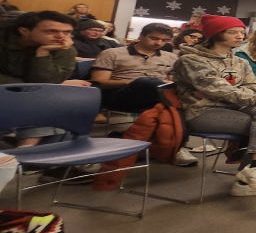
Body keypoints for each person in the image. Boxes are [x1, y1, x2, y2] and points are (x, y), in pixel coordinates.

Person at [172, 15, 256, 196]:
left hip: (234, 107)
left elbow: (253, 87)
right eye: (232, 32)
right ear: (216, 34)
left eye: (242, 32)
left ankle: (254, 171)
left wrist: (230, 93)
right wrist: (233, 93)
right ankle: (247, 181)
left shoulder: (239, 61)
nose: (240, 36)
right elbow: (217, 89)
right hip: (202, 111)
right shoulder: (191, 60)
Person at [0, 11, 92, 146]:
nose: (61, 37)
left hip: (27, 97)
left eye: (67, 32)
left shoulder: (64, 48)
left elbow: (48, 83)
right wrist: (30, 86)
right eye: (51, 31)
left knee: (55, 102)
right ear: (24, 31)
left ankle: (23, 152)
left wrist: (43, 53)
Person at [91, 23, 178, 114]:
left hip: (156, 95)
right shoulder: (112, 53)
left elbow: (173, 80)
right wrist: (133, 81)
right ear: (141, 36)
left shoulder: (171, 57)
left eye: (164, 40)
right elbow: (98, 82)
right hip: (121, 94)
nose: (158, 43)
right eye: (154, 38)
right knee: (147, 82)